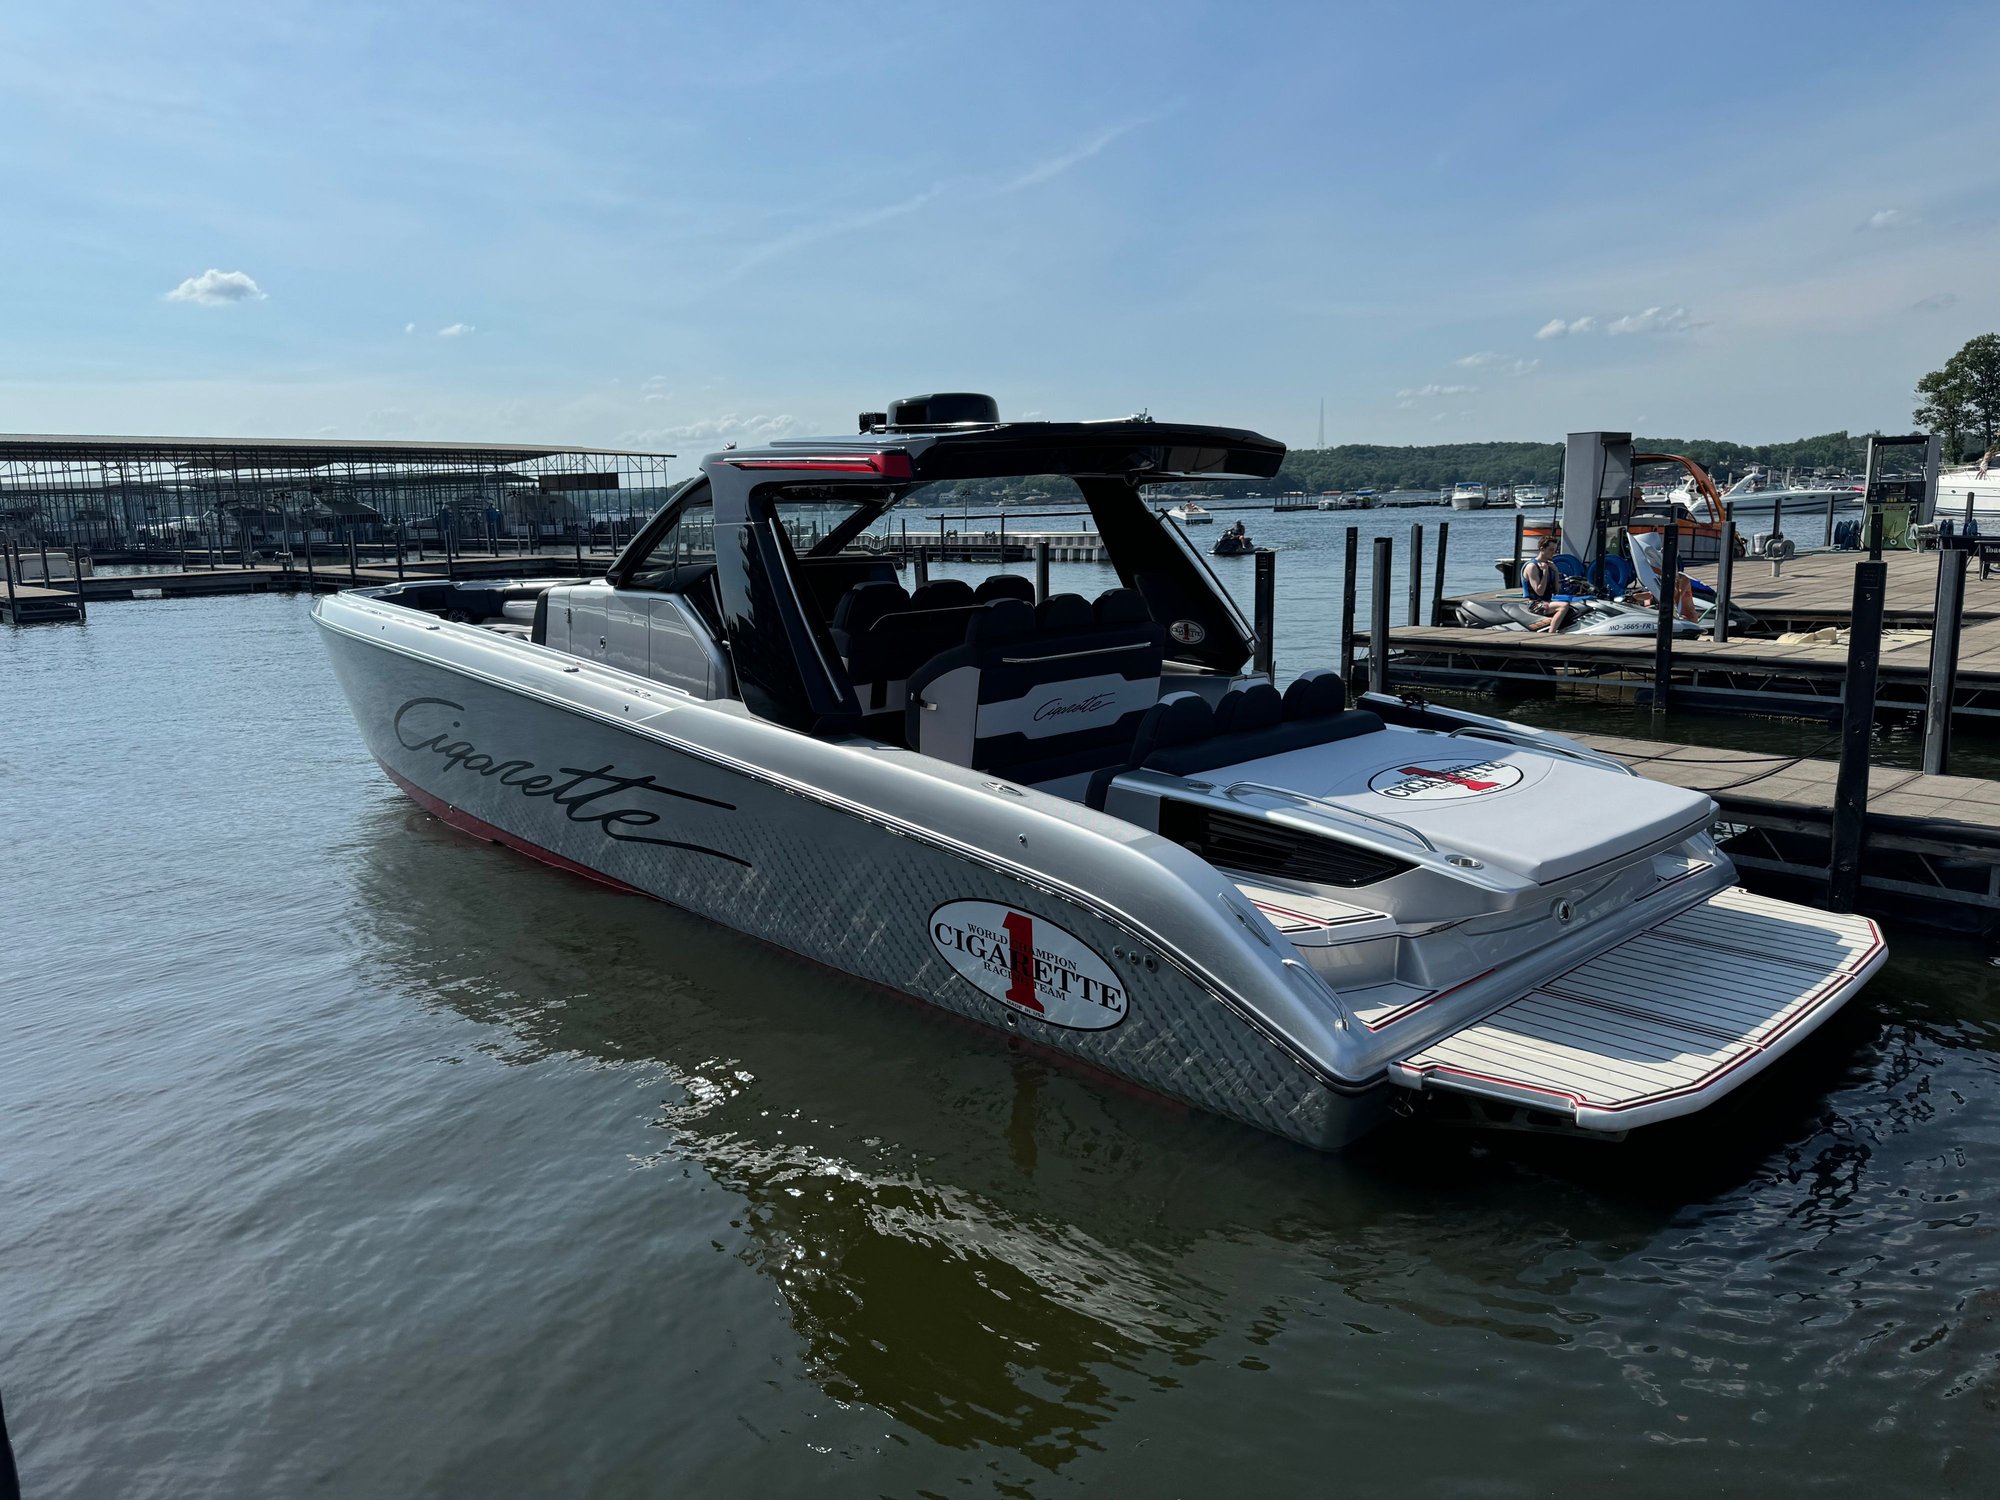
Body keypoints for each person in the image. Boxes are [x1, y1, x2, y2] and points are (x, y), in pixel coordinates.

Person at [1521, 536, 1572, 631]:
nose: (1553, 552)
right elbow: (1539, 592)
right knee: (1563, 606)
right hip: (1535, 604)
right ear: (1542, 549)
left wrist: (1556, 572)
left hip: (1548, 601)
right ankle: (1551, 633)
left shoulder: (1549, 565)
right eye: (1551, 550)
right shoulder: (1532, 567)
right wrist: (1545, 573)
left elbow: (1556, 591)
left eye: (1555, 550)